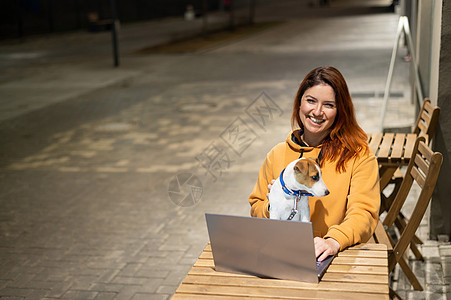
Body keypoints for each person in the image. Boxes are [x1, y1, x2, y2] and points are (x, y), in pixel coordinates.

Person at [248, 66, 380, 261]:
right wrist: (273, 205)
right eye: (310, 101)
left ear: (340, 110)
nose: (317, 112)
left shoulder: (359, 156)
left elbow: (364, 212)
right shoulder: (277, 154)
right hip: (281, 254)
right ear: (299, 103)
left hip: (331, 256)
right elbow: (256, 206)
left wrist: (334, 240)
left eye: (328, 105)